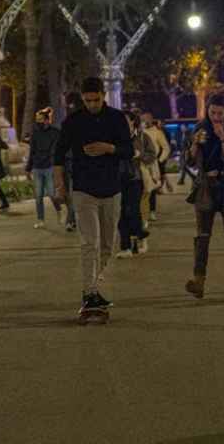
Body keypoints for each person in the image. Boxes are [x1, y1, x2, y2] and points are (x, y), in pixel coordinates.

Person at [53, 77, 133, 313]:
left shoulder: (117, 119)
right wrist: (60, 186)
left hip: (112, 189)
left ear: (103, 95)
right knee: (90, 243)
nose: (92, 104)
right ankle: (89, 293)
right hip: (83, 190)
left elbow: (128, 150)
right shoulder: (74, 121)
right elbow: (58, 154)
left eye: (96, 100)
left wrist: (108, 148)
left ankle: (93, 288)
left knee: (107, 245)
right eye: (87, 101)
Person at [183, 95, 224, 298]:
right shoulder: (200, 129)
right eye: (212, 113)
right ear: (207, 111)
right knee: (202, 236)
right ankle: (199, 280)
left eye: (220, 113)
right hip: (206, 187)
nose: (216, 117)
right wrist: (194, 144)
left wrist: (223, 138)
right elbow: (190, 162)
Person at [116, 111, 155, 258]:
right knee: (120, 214)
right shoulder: (115, 138)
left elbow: (152, 155)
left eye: (126, 120)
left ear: (133, 122)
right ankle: (125, 247)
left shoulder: (143, 137)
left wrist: (140, 155)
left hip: (136, 178)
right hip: (118, 179)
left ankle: (141, 238)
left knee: (132, 211)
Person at [26, 108, 64, 228]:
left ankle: (59, 210)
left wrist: (56, 165)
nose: (39, 122)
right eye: (37, 120)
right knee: (38, 196)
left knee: (52, 194)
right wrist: (28, 168)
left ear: (47, 121)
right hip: (37, 167)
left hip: (49, 167)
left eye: (41, 120)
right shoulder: (35, 133)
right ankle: (40, 220)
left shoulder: (55, 132)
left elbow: (57, 150)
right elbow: (32, 151)